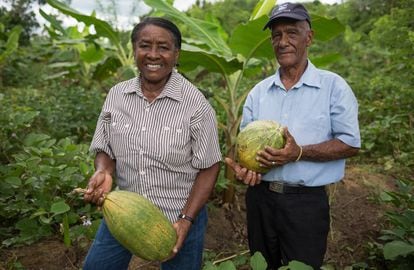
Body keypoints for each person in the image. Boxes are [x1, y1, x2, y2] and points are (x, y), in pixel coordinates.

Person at [225, 2, 361, 269]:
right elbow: (245, 149)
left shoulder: (333, 87)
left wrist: (298, 153)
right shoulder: (258, 92)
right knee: (263, 265)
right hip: (260, 200)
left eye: (292, 33)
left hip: (306, 204)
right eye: (276, 35)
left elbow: (350, 144)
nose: (283, 42)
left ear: (309, 37)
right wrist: (245, 171)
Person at [82, 17, 222, 270]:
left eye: (164, 47)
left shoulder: (196, 105)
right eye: (145, 46)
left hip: (178, 216)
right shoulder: (117, 95)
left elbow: (210, 166)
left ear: (176, 54)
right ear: (134, 50)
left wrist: (186, 219)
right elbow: (106, 147)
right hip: (125, 211)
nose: (153, 55)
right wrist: (103, 170)